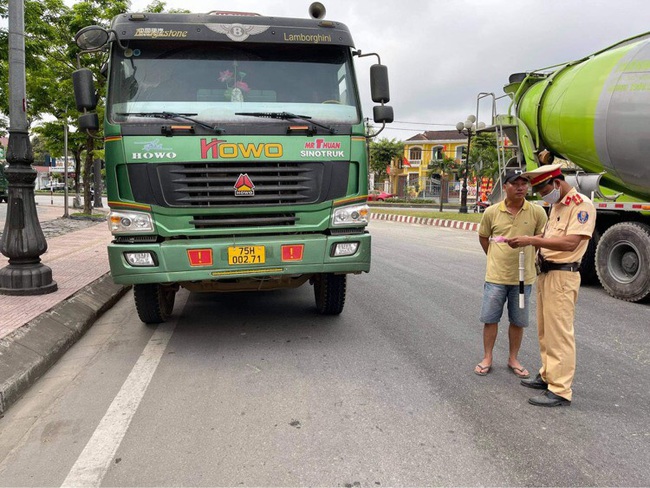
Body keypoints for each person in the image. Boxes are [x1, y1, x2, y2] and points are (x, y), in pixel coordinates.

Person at [506, 162, 596, 407]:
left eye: (545, 191)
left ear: (556, 183)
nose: (544, 196)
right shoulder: (556, 206)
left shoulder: (581, 206)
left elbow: (570, 243)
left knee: (560, 334)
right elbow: (548, 239)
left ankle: (560, 390)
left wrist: (530, 239)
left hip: (563, 277)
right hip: (547, 274)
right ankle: (548, 375)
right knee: (545, 331)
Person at [475, 169, 548, 378]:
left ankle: (513, 358)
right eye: (515, 183)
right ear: (505, 186)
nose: (520, 187)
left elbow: (541, 239)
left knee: (518, 320)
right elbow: (483, 238)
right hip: (496, 277)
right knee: (490, 318)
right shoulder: (491, 212)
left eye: (524, 183)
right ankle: (487, 357)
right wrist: (494, 257)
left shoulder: (537, 212)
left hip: (523, 280)